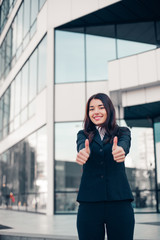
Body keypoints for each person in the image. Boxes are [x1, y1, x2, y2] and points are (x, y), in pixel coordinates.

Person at [76, 93, 135, 240]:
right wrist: (83, 151)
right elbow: (81, 146)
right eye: (91, 108)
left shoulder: (123, 132)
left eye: (101, 107)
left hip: (119, 202)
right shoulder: (82, 134)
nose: (96, 112)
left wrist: (121, 150)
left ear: (109, 110)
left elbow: (124, 145)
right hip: (89, 204)